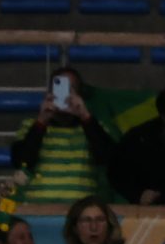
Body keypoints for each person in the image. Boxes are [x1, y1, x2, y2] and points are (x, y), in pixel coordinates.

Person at [8, 66, 116, 206]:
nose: (65, 96)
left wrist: (85, 116)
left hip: (80, 211)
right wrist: (41, 121)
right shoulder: (31, 125)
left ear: (79, 95)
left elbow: (108, 159)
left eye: (71, 90)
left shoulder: (93, 126)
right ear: (50, 93)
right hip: (37, 208)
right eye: (59, 89)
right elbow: (21, 162)